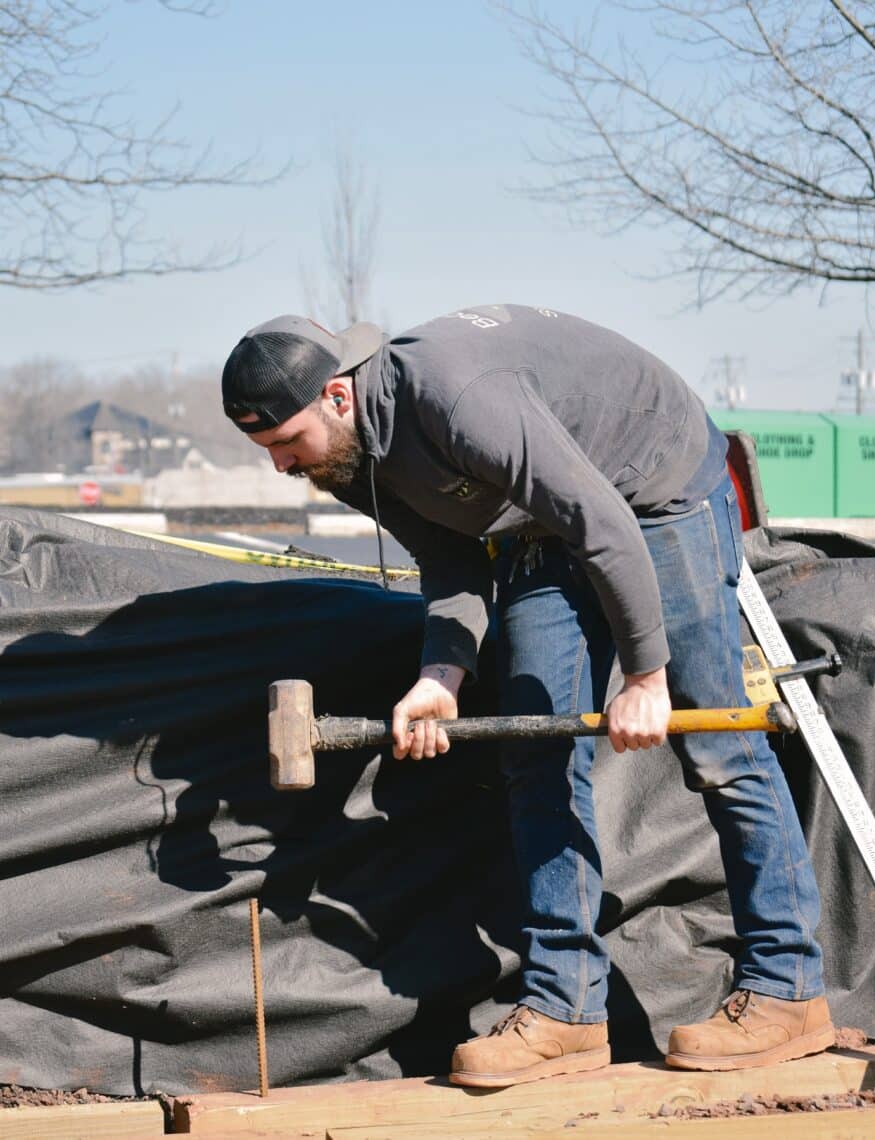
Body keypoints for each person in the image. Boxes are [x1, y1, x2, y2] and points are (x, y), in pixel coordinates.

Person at [221, 305, 834, 1087]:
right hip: (543, 526)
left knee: (717, 742)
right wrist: (440, 677)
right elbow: (451, 563)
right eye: (265, 449)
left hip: (655, 487)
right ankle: (566, 1009)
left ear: (336, 396)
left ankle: (788, 991)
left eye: (284, 442)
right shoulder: (348, 458)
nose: (280, 466)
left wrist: (647, 676)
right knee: (534, 753)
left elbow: (604, 522)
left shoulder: (455, 395)